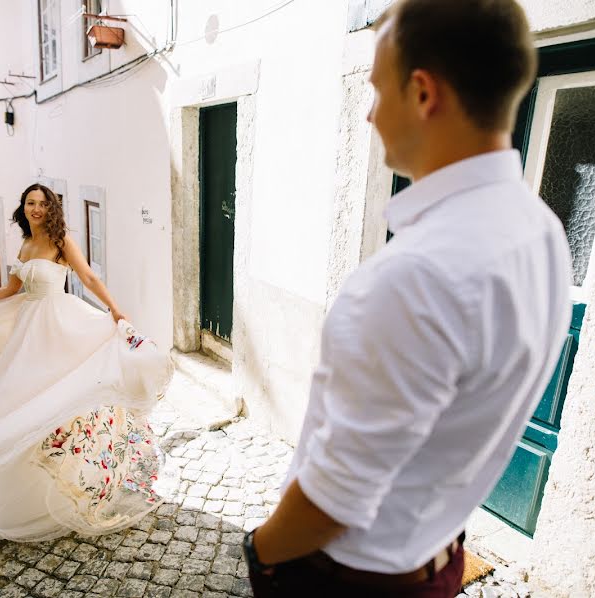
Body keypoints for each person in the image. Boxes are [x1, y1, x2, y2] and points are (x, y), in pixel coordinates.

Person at [243, 1, 572, 596]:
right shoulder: (541, 231)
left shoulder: (414, 275)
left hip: (348, 579)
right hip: (438, 555)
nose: (368, 114)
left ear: (423, 94)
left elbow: (334, 499)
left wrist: (259, 551)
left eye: (376, 89)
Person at [0, 183, 174, 541]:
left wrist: (114, 310)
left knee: (65, 393)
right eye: (30, 203)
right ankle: (24, 476)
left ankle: (75, 477)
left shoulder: (61, 239)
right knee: (20, 397)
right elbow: (10, 291)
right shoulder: (24, 244)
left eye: (42, 203)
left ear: (50, 208)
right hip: (30, 330)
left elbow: (87, 276)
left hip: (61, 323)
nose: (36, 208)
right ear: (23, 208)